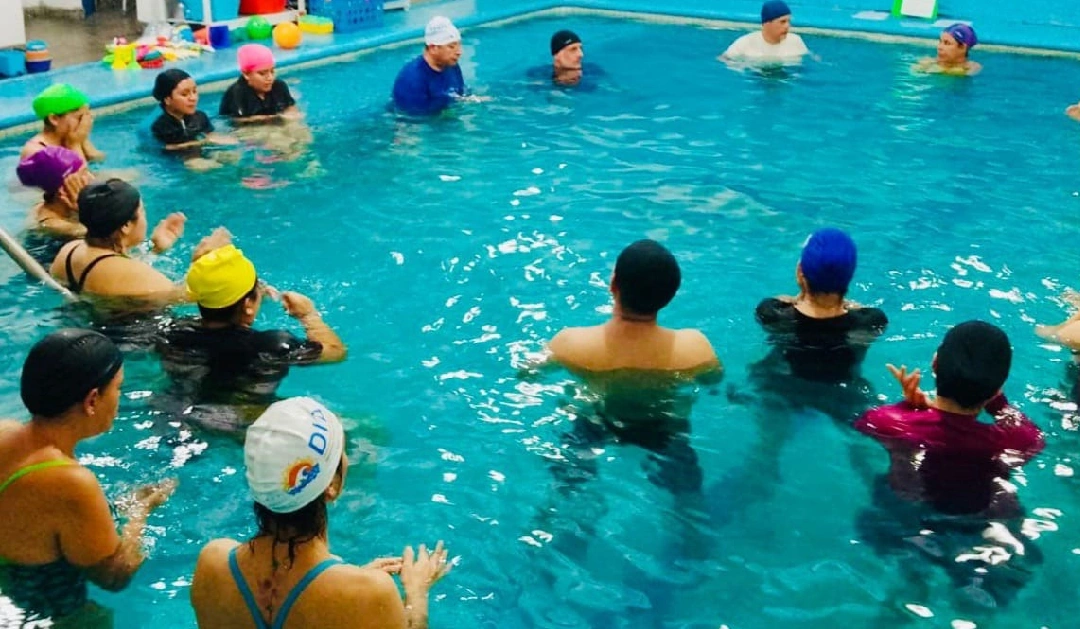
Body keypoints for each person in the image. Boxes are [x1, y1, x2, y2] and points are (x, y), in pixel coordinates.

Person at [190, 397, 452, 629]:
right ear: (332, 485)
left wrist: (347, 581)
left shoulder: (213, 564)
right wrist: (416, 593)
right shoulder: (370, 593)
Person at [855, 321, 1043, 607]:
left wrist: (910, 409)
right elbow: (1032, 436)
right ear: (999, 386)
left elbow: (866, 423)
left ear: (935, 364)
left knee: (906, 584)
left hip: (905, 514)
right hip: (983, 520)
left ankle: (906, 596)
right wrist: (996, 401)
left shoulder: (889, 422)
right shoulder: (1017, 439)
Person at [0, 329, 175, 623]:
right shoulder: (70, 482)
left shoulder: (5, 431)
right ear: (92, 400)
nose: (119, 399)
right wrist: (140, 509)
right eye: (118, 388)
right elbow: (114, 577)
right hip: (46, 616)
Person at [545, 239, 721, 496]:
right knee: (688, 494)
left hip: (596, 423)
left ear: (613, 285)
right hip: (664, 430)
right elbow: (713, 380)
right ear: (671, 295)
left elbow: (527, 373)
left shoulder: (571, 342)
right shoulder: (695, 347)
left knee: (566, 487)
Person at [155, 242, 347, 431]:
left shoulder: (171, 332)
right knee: (351, 428)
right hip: (243, 426)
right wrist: (308, 315)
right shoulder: (273, 346)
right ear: (248, 304)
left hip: (177, 413)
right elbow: (337, 352)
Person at [48, 179, 216, 308]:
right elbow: (190, 296)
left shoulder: (69, 250)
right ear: (126, 225)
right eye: (142, 211)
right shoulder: (133, 274)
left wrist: (154, 249)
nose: (145, 218)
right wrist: (202, 264)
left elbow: (114, 269)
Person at [16, 146, 94, 261]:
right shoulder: (56, 225)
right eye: (83, 174)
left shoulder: (51, 204)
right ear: (63, 189)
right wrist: (86, 210)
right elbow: (108, 237)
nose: (91, 178)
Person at [150, 69, 237, 165]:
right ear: (168, 99)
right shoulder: (159, 125)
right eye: (184, 94)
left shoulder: (199, 117)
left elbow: (210, 135)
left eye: (194, 91)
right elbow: (163, 148)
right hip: (176, 161)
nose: (193, 98)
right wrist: (202, 142)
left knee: (233, 157)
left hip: (200, 151)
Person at [391, 16, 467, 116]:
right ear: (433, 48)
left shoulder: (452, 65)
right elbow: (411, 120)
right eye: (451, 47)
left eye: (459, 45)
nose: (459, 52)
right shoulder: (411, 79)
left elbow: (460, 95)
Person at [20, 83, 105, 163]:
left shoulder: (70, 137)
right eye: (79, 117)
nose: (84, 123)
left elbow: (98, 160)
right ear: (54, 119)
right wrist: (74, 145)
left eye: (87, 117)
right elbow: (82, 173)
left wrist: (83, 140)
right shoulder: (37, 151)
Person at [219, 44, 300, 121]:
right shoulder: (237, 94)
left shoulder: (279, 86)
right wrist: (276, 117)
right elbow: (238, 121)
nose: (270, 78)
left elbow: (290, 107)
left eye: (272, 71)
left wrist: (293, 115)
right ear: (246, 74)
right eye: (262, 73)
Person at [719, 0, 809, 63]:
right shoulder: (745, 43)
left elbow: (808, 60)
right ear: (767, 23)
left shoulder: (795, 41)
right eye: (782, 22)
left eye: (789, 21)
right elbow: (724, 59)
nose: (787, 26)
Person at [915, 23, 981, 76]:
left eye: (947, 43)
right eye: (940, 42)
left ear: (963, 48)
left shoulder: (972, 68)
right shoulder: (927, 62)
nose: (939, 47)